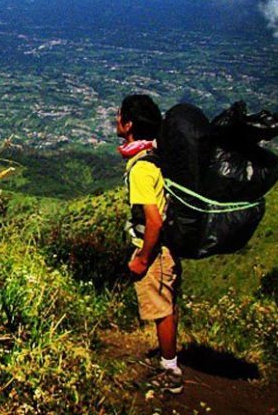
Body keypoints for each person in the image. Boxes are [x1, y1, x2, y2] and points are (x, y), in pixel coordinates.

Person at [116, 94, 183, 394]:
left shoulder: (141, 168)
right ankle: (169, 360)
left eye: (120, 116)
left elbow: (153, 221)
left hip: (155, 251)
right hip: (169, 247)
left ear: (128, 125)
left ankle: (171, 372)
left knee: (161, 310)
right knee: (167, 305)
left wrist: (142, 258)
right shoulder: (153, 157)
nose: (116, 120)